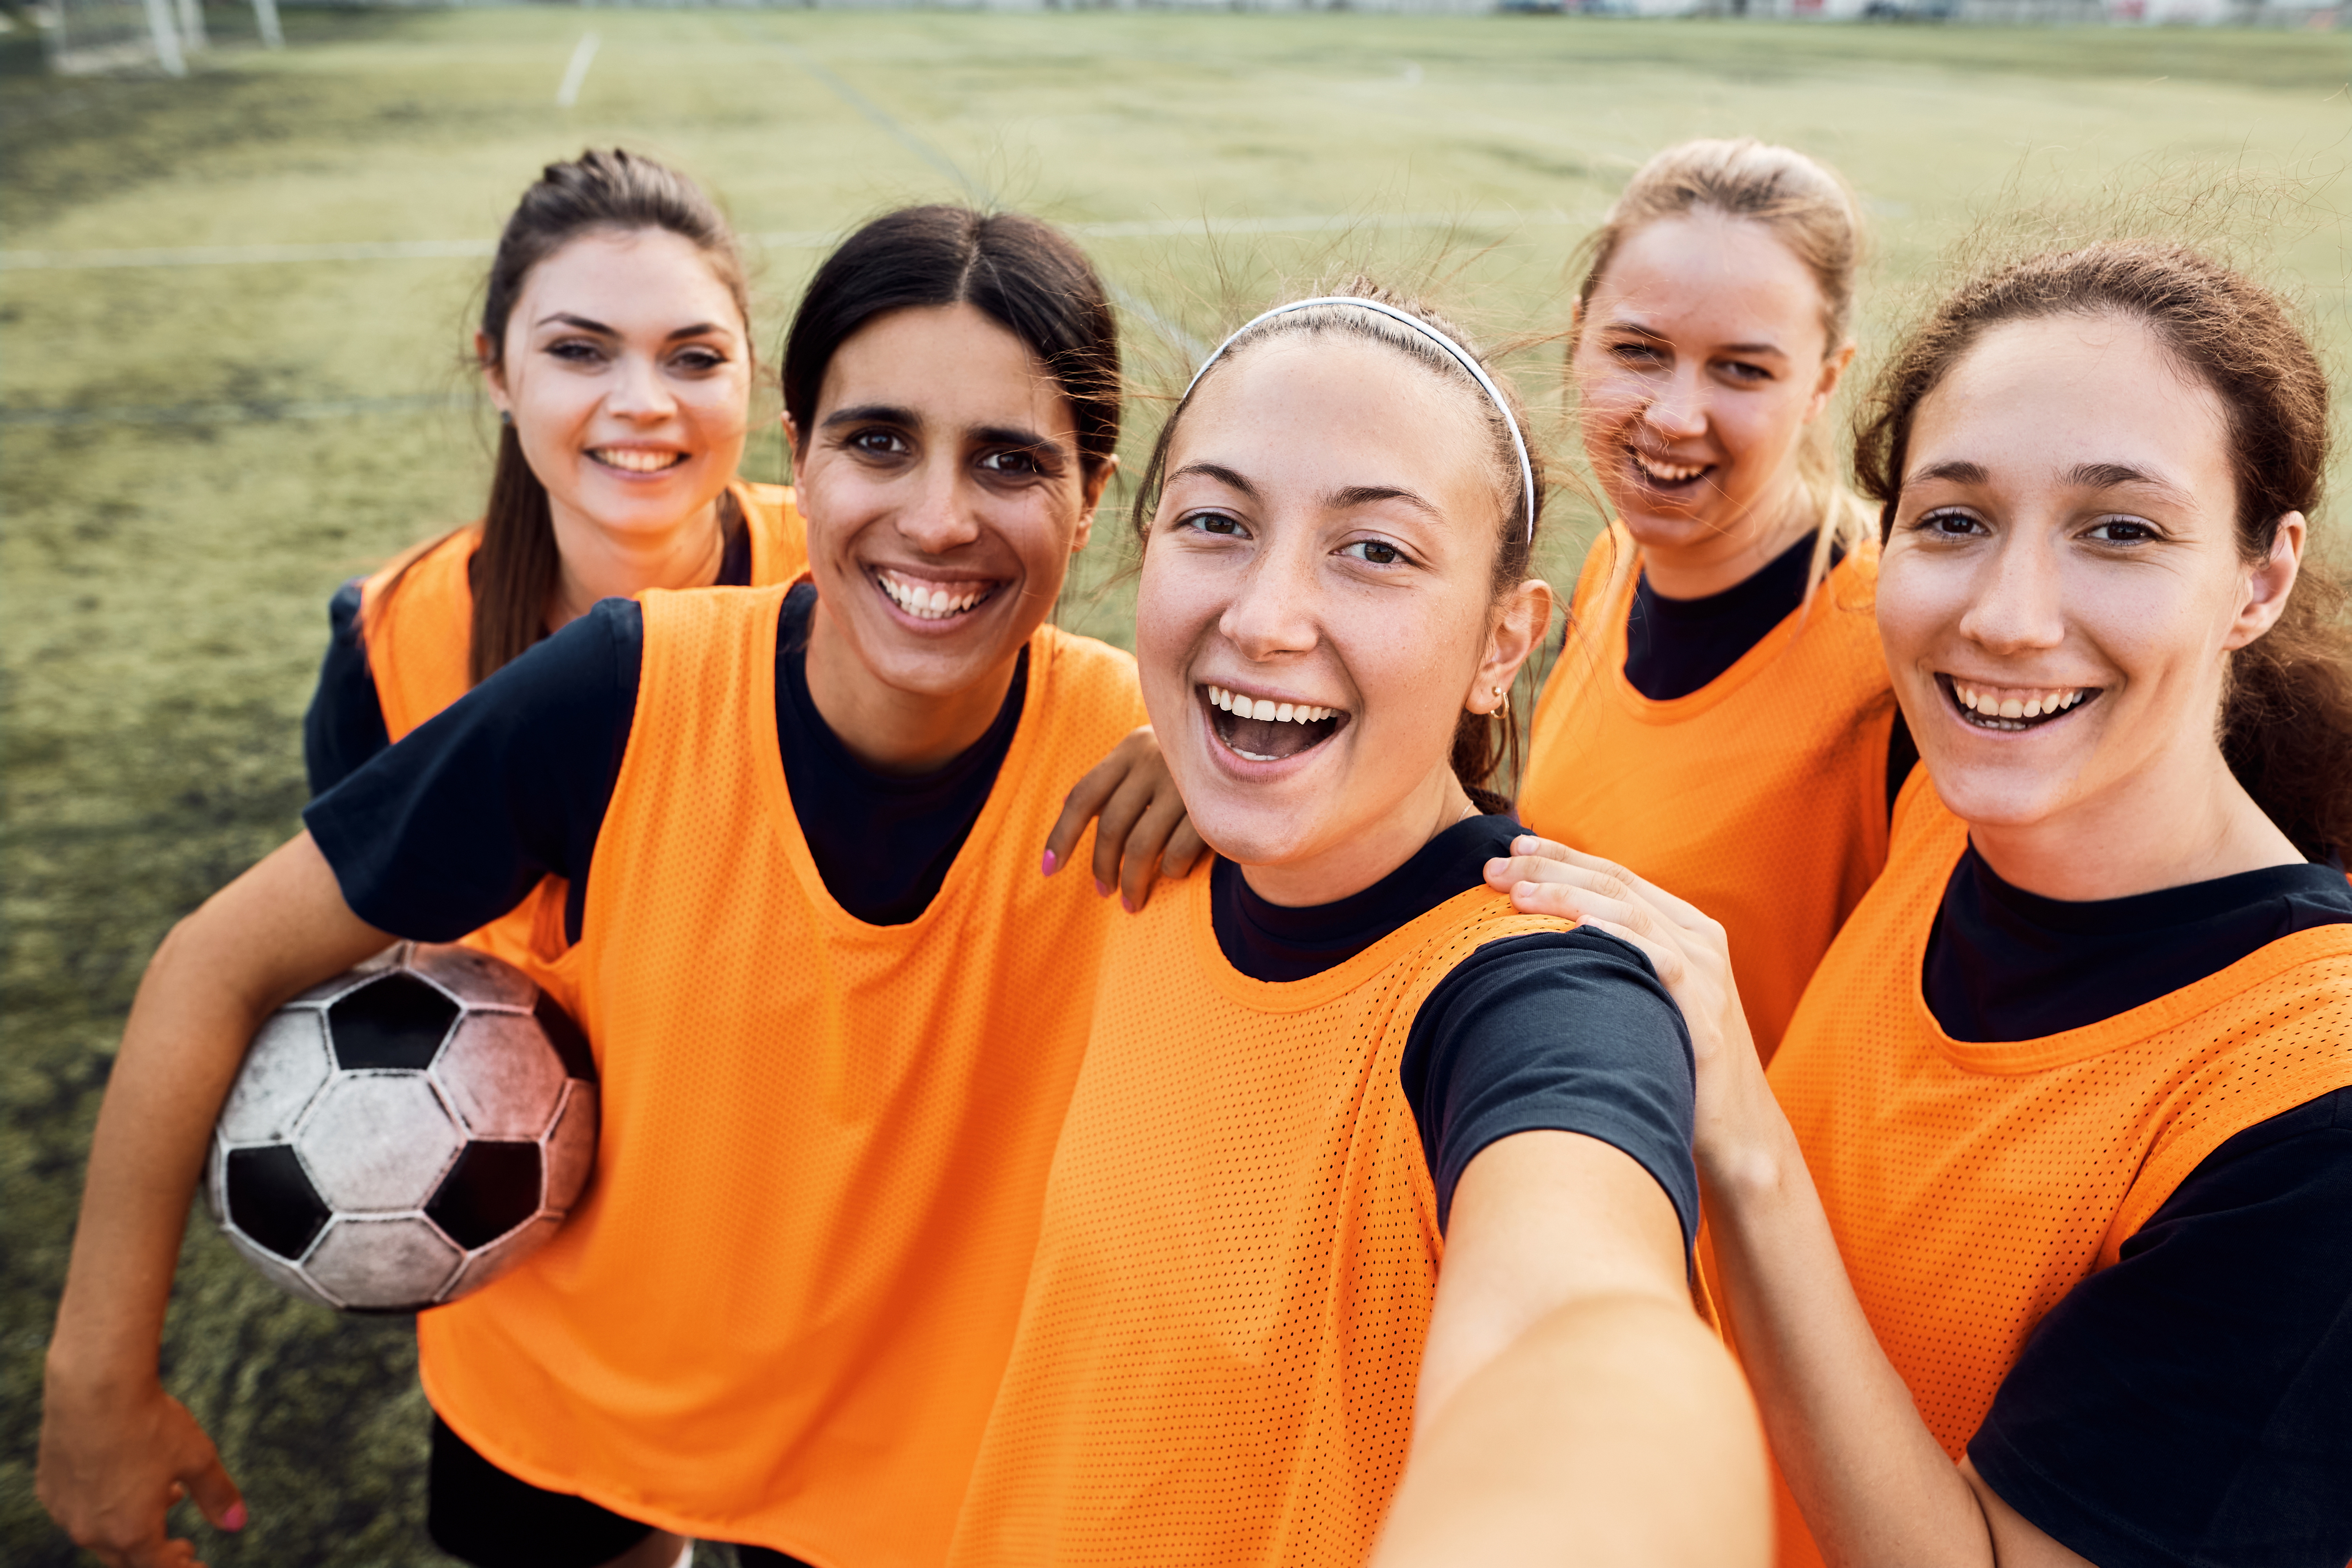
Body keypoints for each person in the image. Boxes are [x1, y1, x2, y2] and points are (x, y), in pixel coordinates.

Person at [40, 205, 1194, 1568]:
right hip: (568, 1399)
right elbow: (214, 962)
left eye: (1010, 461)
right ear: (798, 456)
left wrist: (1244, 779)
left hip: (902, 1453)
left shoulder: (1143, 764)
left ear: (1093, 490)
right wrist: (94, 1384)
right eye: (877, 440)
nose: (938, 518)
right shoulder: (625, 685)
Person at [1494, 240, 2352, 1567]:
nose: (2007, 620)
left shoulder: (2308, 1102)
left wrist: (1742, 1136)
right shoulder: (1951, 811)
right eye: (1954, 520)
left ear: (2263, 574)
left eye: (2120, 530)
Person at [944, 289, 1769, 1568]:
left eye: (1374, 551)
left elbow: (1587, 1328)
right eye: (1218, 524)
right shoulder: (1154, 856)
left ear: (1505, 644)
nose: (1267, 618)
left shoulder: (1537, 996)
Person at [301, 149, 808, 973]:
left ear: (751, 372)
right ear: (498, 370)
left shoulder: (851, 584)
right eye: (580, 350)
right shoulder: (388, 640)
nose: (643, 402)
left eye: (695, 357)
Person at [1517, 139, 1890, 1061]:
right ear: (1579, 335)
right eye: (1639, 351)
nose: (1676, 415)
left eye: (1742, 370)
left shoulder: (1897, 642)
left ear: (1823, 382)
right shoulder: (1613, 566)